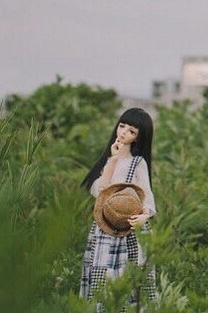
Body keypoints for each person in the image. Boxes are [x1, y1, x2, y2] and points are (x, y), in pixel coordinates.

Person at [80, 107, 157, 307]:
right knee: (101, 278)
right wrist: (112, 161)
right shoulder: (109, 160)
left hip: (131, 229)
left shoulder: (137, 163)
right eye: (122, 126)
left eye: (131, 131)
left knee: (129, 278)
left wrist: (145, 216)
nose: (123, 132)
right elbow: (100, 192)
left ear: (138, 137)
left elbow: (147, 196)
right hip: (105, 226)